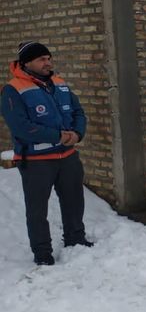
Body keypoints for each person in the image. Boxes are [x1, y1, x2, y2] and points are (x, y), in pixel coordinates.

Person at [1, 42, 91, 265]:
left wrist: (77, 134)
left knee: (74, 201)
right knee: (37, 210)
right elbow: (20, 126)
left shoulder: (60, 84)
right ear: (26, 63)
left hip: (68, 157)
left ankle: (76, 239)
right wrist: (58, 136)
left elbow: (79, 112)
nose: (48, 62)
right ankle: (42, 254)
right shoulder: (13, 90)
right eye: (42, 59)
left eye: (49, 58)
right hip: (37, 162)